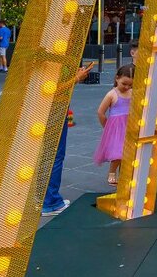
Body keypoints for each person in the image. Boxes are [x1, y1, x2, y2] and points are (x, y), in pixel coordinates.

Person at [42, 61, 95, 215]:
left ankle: (45, 198)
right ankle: (50, 202)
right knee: (54, 156)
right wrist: (76, 78)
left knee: (50, 156)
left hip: (54, 110)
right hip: (54, 111)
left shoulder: (52, 60)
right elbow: (50, 91)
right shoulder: (53, 62)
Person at [94, 65, 134, 185]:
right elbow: (101, 112)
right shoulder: (112, 94)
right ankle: (112, 172)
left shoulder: (132, 93)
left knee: (128, 154)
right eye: (124, 84)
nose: (127, 87)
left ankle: (124, 175)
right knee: (118, 152)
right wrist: (107, 127)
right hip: (117, 127)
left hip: (129, 125)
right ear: (117, 79)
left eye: (130, 85)